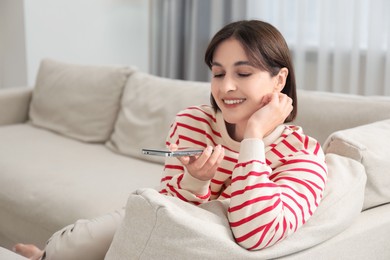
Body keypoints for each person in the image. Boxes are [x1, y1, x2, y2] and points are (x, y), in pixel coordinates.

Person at [14, 20, 327, 259]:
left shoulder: (302, 154)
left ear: (280, 80)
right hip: (166, 228)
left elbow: (256, 233)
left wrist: (254, 138)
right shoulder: (193, 122)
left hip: (198, 248)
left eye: (243, 74)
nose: (227, 87)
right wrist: (195, 181)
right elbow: (164, 212)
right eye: (218, 74)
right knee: (75, 244)